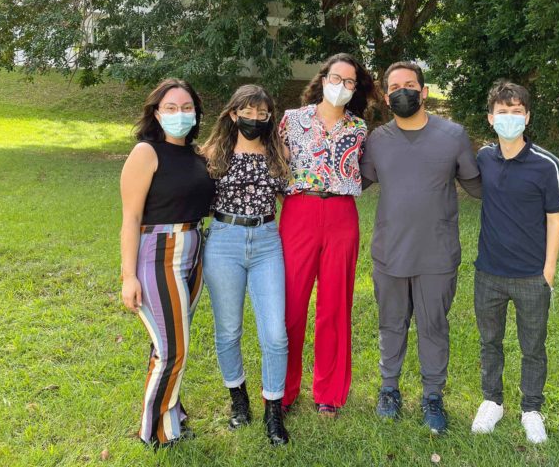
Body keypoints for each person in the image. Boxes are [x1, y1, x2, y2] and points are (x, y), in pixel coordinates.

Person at [360, 61, 481, 434]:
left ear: (424, 91)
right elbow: (350, 182)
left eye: (410, 85)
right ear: (386, 97)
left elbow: (479, 186)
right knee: (391, 323)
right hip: (390, 251)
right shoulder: (378, 140)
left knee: (433, 326)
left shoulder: (453, 136)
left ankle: (432, 396)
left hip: (436, 254)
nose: (403, 92)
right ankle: (389, 389)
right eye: (394, 87)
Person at [470, 79, 559, 444]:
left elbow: (555, 218)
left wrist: (549, 270)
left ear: (527, 117)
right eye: (503, 111)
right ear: (490, 118)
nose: (509, 117)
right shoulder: (484, 158)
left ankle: (531, 409)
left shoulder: (546, 164)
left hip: (531, 275)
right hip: (489, 272)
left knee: (533, 347)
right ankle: (492, 401)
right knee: (490, 342)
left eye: (516, 111)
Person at [278, 52, 377, 417]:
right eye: (336, 78)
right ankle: (283, 390)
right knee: (291, 304)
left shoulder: (359, 128)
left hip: (340, 215)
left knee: (335, 305)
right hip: (299, 213)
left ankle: (329, 393)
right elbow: (277, 165)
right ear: (323, 80)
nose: (342, 86)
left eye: (350, 81)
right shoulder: (292, 119)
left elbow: (362, 172)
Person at [119, 78, 215, 448]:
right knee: (173, 349)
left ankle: (173, 418)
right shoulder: (146, 153)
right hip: (158, 253)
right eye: (171, 108)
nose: (180, 114)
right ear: (157, 113)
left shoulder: (197, 155)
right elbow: (130, 218)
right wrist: (128, 276)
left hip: (193, 251)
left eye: (187, 108)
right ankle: (154, 432)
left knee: (167, 342)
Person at [200, 84, 291, 446]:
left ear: (269, 117)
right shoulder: (214, 153)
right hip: (225, 241)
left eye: (262, 113)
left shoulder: (278, 152)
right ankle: (239, 400)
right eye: (248, 112)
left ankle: (273, 410)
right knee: (228, 330)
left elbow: (290, 197)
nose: (255, 118)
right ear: (233, 114)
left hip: (267, 241)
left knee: (275, 333)